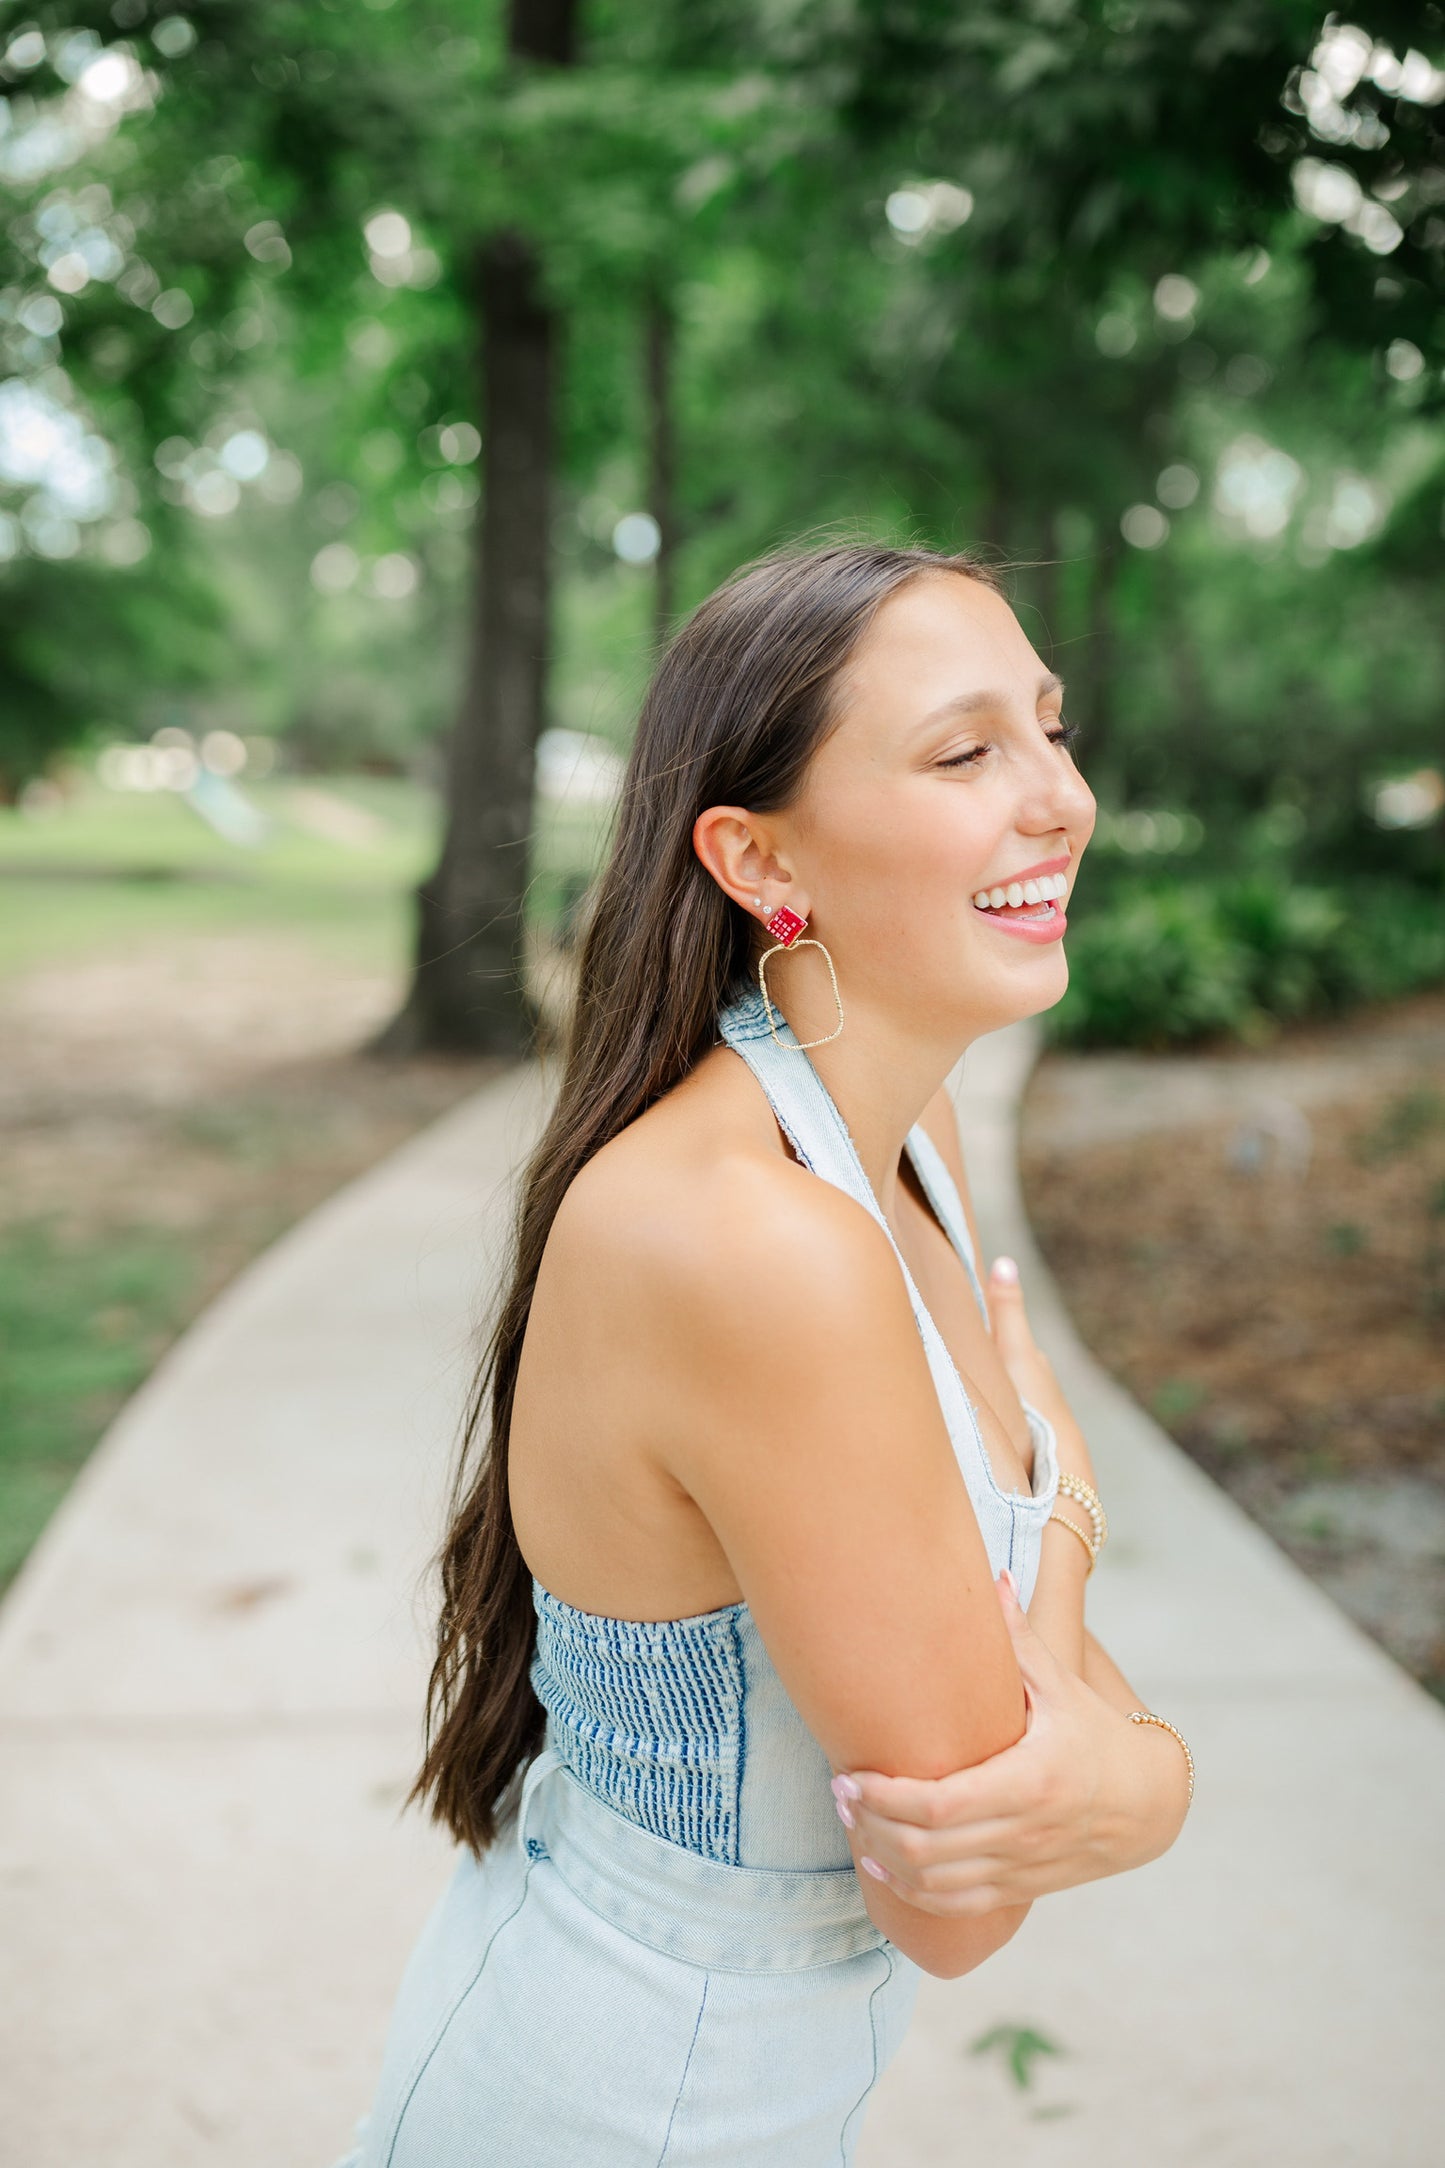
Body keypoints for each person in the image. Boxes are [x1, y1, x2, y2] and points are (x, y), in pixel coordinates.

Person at [335, 541, 1194, 2167]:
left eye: (1049, 727)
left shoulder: (900, 1134)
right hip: (627, 2106)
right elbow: (955, 1903)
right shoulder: (754, 1243)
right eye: (963, 752)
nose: (1061, 799)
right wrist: (1085, 1572)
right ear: (754, 856)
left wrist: (1113, 1763)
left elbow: (1012, 1744)